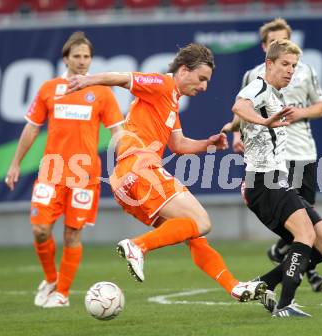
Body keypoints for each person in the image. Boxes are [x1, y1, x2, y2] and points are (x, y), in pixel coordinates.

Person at [67, 43, 267, 302]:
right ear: (184, 70)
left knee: (193, 235)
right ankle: (137, 246)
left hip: (124, 182)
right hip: (140, 167)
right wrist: (88, 80)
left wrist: (207, 143)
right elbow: (123, 78)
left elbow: (179, 145)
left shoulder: (171, 102)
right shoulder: (162, 84)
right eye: (201, 79)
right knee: (203, 222)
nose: (204, 86)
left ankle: (234, 287)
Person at [5, 32, 125, 308]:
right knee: (40, 230)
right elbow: (32, 127)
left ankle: (62, 294)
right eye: (77, 56)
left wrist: (127, 162)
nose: (82, 62)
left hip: (84, 175)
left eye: (86, 57)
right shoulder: (49, 89)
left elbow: (117, 131)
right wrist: (15, 163)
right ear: (66, 59)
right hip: (52, 171)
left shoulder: (103, 92)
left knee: (72, 234)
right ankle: (50, 278)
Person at [225, 39, 322, 317]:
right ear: (269, 63)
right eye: (285, 64)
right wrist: (262, 122)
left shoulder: (275, 95)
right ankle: (285, 305)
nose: (290, 70)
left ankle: (262, 284)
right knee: (306, 234)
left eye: (294, 66)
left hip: (277, 180)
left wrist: (234, 129)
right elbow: (240, 105)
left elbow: (240, 116)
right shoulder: (259, 86)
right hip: (264, 181)